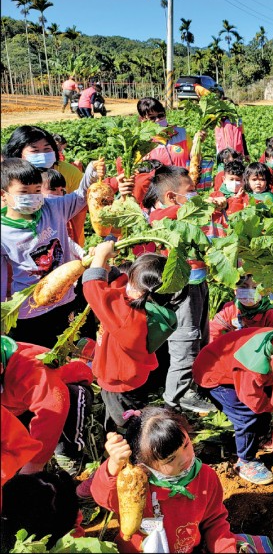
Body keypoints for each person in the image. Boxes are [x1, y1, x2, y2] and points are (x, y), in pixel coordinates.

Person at [91, 406, 269, 553]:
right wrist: (113, 466)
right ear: (143, 464)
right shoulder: (135, 486)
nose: (185, 458)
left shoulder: (206, 477)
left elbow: (214, 521)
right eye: (170, 459)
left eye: (186, 446)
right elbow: (104, 499)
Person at [1, 158, 98, 347]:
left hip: (65, 300)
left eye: (37, 190)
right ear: (3, 195)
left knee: (70, 352)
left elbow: (80, 197)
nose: (33, 196)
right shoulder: (3, 232)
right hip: (30, 311)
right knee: (38, 361)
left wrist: (91, 174)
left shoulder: (52, 208)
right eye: (23, 192)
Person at [82, 241, 176, 431]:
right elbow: (120, 285)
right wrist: (105, 265)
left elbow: (93, 290)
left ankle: (132, 448)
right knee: (125, 413)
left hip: (119, 385)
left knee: (127, 424)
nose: (126, 281)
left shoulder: (128, 318)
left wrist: (100, 257)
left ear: (140, 291)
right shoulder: (144, 308)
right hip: (129, 379)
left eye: (130, 279)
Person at [146, 166, 216, 414]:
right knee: (185, 341)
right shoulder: (162, 217)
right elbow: (162, 218)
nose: (195, 195)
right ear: (171, 197)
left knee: (198, 337)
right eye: (191, 191)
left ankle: (190, 389)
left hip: (198, 283)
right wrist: (206, 203)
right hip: (182, 289)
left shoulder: (184, 215)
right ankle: (175, 401)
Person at [194, 327, 273, 485]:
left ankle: (259, 436)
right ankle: (245, 462)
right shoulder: (254, 365)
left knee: (265, 398)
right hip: (214, 375)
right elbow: (251, 398)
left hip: (227, 366)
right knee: (246, 415)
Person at [1, 335, 94, 477]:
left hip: (65, 390)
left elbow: (53, 409)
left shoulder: (28, 369)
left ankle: (70, 453)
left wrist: (34, 464)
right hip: (21, 404)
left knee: (70, 402)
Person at [208, 274, 273, 342]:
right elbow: (212, 331)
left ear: (265, 292)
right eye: (243, 287)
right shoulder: (230, 308)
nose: (249, 291)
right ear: (235, 289)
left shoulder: (271, 314)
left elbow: (272, 341)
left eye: (255, 287)